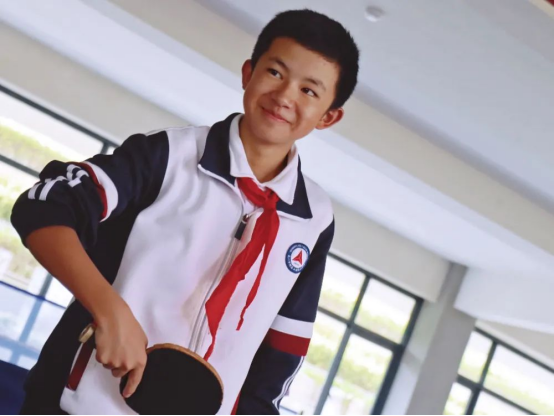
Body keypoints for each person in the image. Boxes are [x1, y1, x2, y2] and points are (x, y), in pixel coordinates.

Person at [11, 8, 359, 415]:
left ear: (329, 116)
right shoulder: (167, 155)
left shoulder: (315, 218)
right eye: (275, 72)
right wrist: (109, 309)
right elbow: (43, 206)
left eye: (309, 91)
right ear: (248, 73)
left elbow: (283, 349)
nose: (284, 97)